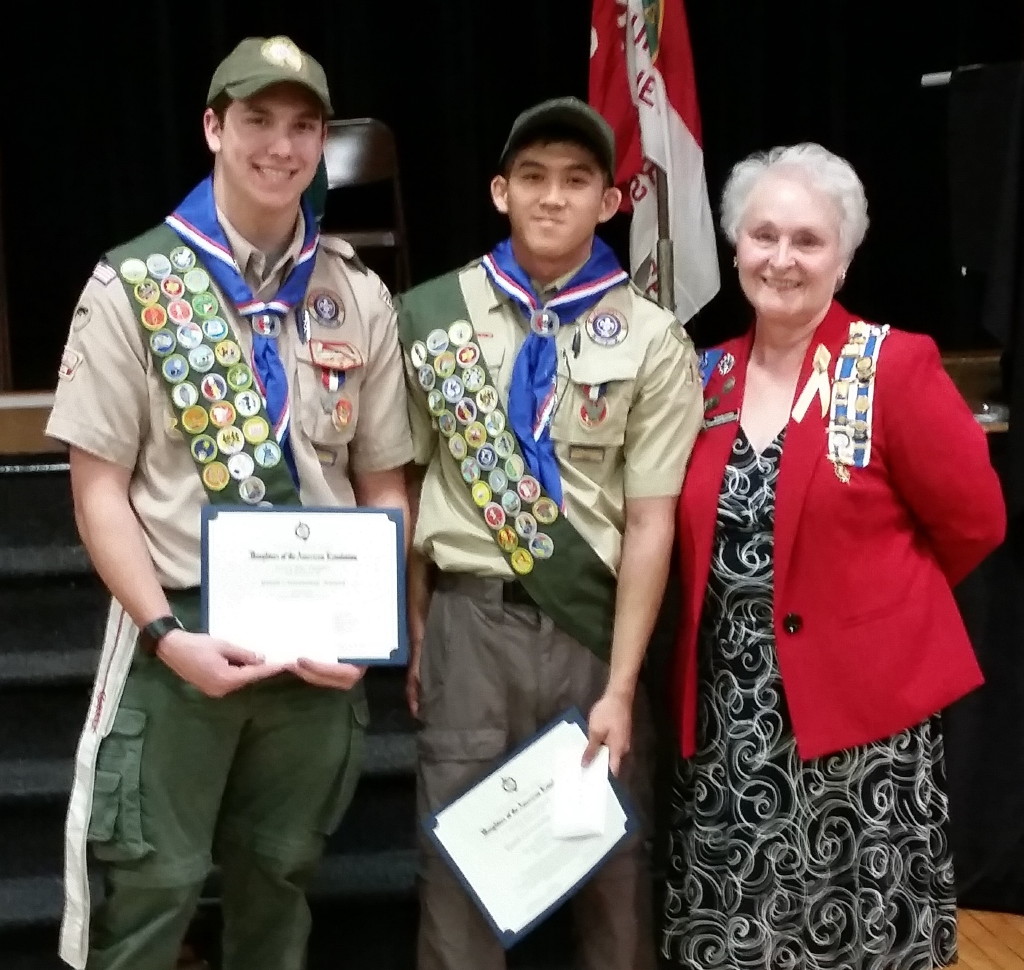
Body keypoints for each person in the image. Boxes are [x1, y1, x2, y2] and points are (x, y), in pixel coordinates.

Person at [45, 35, 413, 970]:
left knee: (280, 875)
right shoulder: (134, 285)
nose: (280, 147)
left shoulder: (355, 295)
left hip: (316, 642)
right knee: (154, 884)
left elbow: (382, 482)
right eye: (257, 120)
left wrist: (370, 627)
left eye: (302, 127)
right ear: (214, 127)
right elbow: (98, 490)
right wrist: (168, 633)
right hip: (181, 633)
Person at [661, 142, 1006, 970]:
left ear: (843, 259)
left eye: (808, 240)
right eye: (763, 235)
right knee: (737, 939)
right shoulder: (700, 378)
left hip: (863, 734)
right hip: (728, 725)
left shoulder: (893, 364)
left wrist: (868, 614)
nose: (781, 259)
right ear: (735, 245)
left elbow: (975, 522)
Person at [396, 96, 702, 970]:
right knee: (458, 864)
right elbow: (413, 486)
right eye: (532, 177)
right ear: (500, 191)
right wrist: (420, 627)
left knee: (608, 864)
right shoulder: (432, 318)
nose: (552, 197)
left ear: (610, 201)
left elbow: (649, 523)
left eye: (577, 181)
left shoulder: (651, 339)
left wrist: (623, 682)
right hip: (471, 624)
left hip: (591, 631)